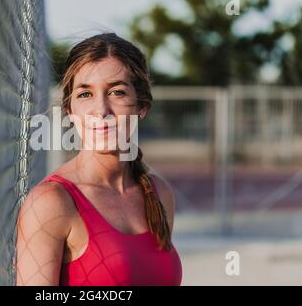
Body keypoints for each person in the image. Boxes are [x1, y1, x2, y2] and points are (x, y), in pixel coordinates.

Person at [16, 33, 182, 286]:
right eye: (85, 94)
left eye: (117, 92)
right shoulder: (52, 202)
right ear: (70, 110)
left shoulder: (159, 194)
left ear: (141, 106)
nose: (101, 110)